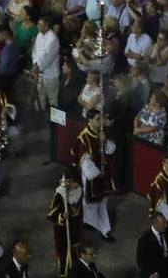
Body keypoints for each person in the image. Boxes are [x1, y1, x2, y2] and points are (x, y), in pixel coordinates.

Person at [78, 111, 116, 242]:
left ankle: (104, 229)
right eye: (97, 119)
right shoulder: (84, 137)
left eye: (101, 119)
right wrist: (96, 173)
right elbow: (84, 160)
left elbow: (111, 150)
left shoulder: (102, 132)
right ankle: (98, 226)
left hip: (103, 174)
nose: (100, 121)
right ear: (89, 120)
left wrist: (104, 141)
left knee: (101, 202)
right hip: (91, 176)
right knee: (89, 202)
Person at [48, 171, 83, 278]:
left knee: (76, 252)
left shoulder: (78, 191)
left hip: (75, 228)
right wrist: (62, 216)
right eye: (74, 183)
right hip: (62, 231)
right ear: (68, 182)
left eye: (77, 183)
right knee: (64, 255)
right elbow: (50, 215)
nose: (76, 186)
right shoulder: (60, 194)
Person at [136, 212, 168, 278]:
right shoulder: (145, 239)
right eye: (163, 223)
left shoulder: (166, 233)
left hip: (165, 273)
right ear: (155, 224)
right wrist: (150, 274)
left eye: (166, 222)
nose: (166, 225)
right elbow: (140, 260)